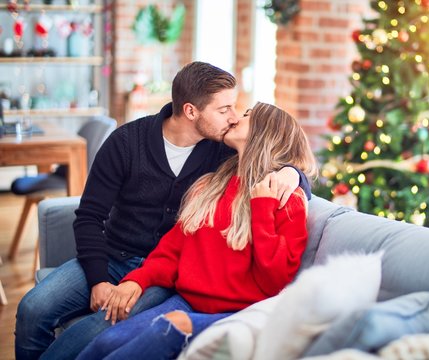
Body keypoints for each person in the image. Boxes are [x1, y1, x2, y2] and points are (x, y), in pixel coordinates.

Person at [15, 62, 310, 360]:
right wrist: (98, 280)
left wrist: (294, 174)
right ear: (191, 111)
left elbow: (273, 152)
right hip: (116, 256)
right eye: (224, 110)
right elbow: (90, 216)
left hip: (164, 270)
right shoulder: (127, 142)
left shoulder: (222, 150)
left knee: (102, 326)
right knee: (32, 308)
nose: (233, 118)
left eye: (236, 109)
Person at [76, 101, 317, 359]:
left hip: (236, 314)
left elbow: (275, 280)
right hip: (187, 301)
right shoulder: (212, 186)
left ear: (266, 132)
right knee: (107, 340)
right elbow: (173, 249)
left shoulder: (284, 200)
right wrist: (138, 279)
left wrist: (261, 208)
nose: (235, 118)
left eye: (246, 115)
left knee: (165, 331)